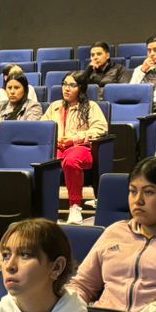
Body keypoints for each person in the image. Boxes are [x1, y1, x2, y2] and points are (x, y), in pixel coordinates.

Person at [69, 157, 156, 312]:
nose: (138, 200)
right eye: (133, 191)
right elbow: (82, 285)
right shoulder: (115, 231)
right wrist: (68, 311)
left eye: (149, 192)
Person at [41, 75, 109, 224]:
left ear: (81, 88)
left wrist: (75, 138)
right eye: (65, 84)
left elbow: (100, 129)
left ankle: (75, 207)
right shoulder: (55, 106)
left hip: (80, 148)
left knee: (71, 161)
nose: (66, 88)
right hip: (57, 148)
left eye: (72, 85)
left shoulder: (90, 106)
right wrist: (54, 138)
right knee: (41, 162)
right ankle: (44, 209)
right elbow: (42, 127)